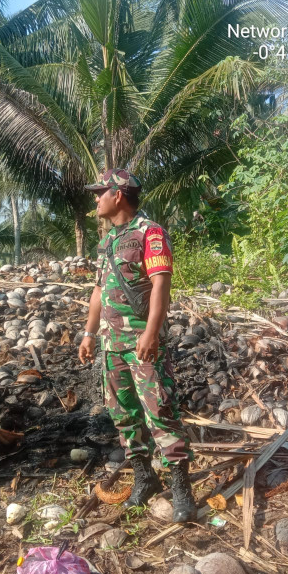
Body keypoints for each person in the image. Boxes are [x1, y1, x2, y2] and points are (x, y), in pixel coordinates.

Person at [78, 169, 196, 522]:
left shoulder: (150, 232)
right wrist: (89, 334)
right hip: (111, 344)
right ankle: (145, 479)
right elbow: (98, 290)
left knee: (161, 413)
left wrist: (151, 333)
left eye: (100, 192)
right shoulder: (108, 240)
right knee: (124, 415)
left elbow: (161, 284)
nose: (96, 198)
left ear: (118, 195)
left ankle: (181, 490)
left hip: (142, 343)